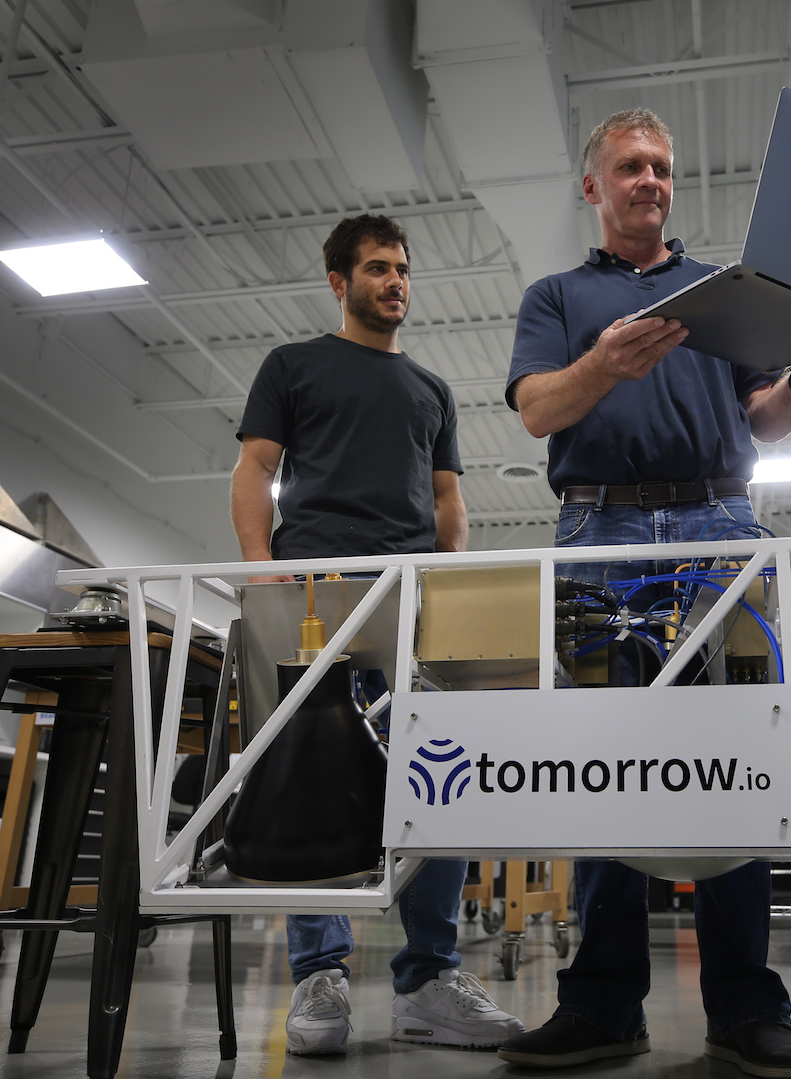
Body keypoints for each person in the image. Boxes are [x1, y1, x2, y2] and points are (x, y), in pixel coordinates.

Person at [496, 109, 791, 1077]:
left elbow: (763, 418)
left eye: (661, 166)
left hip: (719, 525)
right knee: (601, 775)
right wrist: (599, 364)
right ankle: (603, 1004)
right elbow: (537, 408)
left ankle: (746, 1005)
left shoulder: (720, 295)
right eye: (630, 166)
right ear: (593, 187)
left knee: (739, 765)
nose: (650, 180)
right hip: (596, 532)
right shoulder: (557, 296)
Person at [230, 213, 523, 1057]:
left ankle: (429, 978)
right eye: (377, 269)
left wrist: (450, 574)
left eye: (402, 269)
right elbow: (254, 468)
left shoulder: (431, 391)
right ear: (339, 280)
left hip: (413, 600)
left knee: (441, 776)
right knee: (313, 777)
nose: (395, 282)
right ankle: (320, 973)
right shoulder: (293, 365)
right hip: (313, 596)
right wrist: (261, 567)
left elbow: (446, 503)